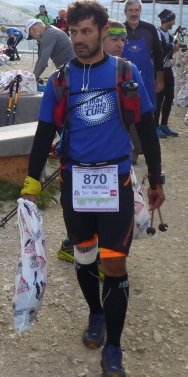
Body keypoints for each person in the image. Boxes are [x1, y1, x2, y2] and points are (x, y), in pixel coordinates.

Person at [21, 0, 165, 377]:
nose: (78, 39)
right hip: (76, 182)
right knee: (84, 258)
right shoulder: (60, 80)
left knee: (114, 263)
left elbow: (146, 128)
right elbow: (43, 135)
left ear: (103, 32)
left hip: (116, 181)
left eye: (86, 31)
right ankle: (96, 313)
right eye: (73, 32)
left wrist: (156, 178)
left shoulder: (125, 73)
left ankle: (113, 348)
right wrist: (31, 184)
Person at [56, 18, 133, 270]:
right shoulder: (70, 74)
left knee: (108, 219)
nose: (120, 44)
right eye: (114, 39)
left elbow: (137, 119)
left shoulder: (126, 71)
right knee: (86, 224)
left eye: (123, 40)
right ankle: (76, 247)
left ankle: (103, 257)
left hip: (114, 166)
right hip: (80, 167)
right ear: (102, 37)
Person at [122, 0, 165, 163]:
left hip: (146, 78)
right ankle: (132, 150)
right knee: (127, 113)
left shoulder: (149, 29)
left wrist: (160, 79)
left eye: (136, 10)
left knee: (146, 113)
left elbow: (159, 55)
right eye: (130, 10)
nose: (134, 13)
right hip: (124, 78)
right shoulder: (120, 30)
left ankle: (144, 149)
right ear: (125, 12)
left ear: (140, 11)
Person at [156, 8, 181, 138]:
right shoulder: (157, 33)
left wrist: (175, 48)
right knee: (158, 98)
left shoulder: (169, 35)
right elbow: (160, 50)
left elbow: (170, 53)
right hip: (159, 69)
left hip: (168, 68)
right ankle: (155, 125)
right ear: (167, 20)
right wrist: (171, 46)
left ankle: (164, 124)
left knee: (169, 97)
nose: (174, 22)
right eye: (172, 20)